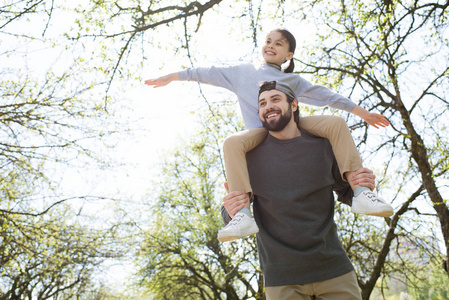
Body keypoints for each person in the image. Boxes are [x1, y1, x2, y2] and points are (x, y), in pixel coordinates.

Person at [145, 28, 393, 242]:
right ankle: (241, 214)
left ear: (289, 55)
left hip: (290, 124)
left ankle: (361, 193)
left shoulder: (292, 80)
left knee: (335, 123)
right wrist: (172, 76)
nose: (271, 46)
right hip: (259, 133)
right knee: (232, 143)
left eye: (279, 43)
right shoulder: (243, 72)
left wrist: (364, 114)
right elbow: (206, 72)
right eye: (268, 41)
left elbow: (327, 96)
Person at [221, 80, 368, 299]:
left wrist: (361, 184)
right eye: (262, 103)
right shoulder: (249, 157)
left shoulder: (323, 145)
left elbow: (345, 193)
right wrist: (230, 209)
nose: (268, 106)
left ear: (295, 105)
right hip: (282, 278)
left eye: (275, 99)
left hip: (334, 269)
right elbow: (231, 215)